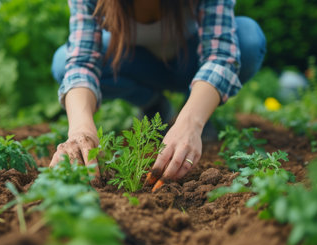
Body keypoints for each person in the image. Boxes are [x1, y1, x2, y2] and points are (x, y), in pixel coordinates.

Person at [49, 0, 266, 187]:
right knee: (62, 62)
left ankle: (193, 112)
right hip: (137, 66)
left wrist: (191, 124)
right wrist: (81, 130)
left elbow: (220, 55)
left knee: (248, 38)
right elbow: (81, 63)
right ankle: (154, 104)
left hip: (190, 64)